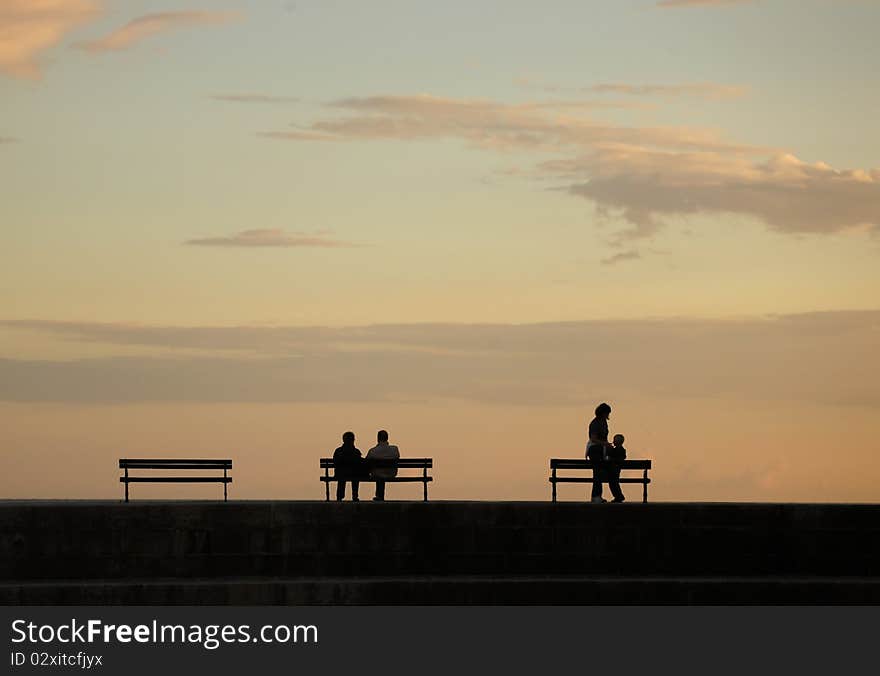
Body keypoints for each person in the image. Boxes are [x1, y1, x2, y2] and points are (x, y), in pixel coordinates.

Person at [586, 402, 613, 503]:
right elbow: (593, 439)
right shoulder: (595, 423)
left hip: (600, 450)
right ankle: (596, 495)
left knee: (598, 473)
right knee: (597, 472)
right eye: (607, 413)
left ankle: (597, 495)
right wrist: (605, 444)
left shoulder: (602, 422)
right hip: (595, 450)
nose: (608, 415)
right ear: (603, 413)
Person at [366, 429, 399, 501]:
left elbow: (366, 462)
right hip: (391, 473)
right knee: (381, 473)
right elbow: (397, 457)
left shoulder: (373, 451)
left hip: (376, 474)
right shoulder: (395, 449)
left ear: (378, 439)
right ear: (387, 438)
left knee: (379, 473)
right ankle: (379, 496)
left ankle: (379, 496)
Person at [332, 431, 363, 502]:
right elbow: (360, 463)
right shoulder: (356, 452)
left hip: (340, 474)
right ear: (353, 440)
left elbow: (335, 462)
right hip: (354, 474)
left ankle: (339, 496)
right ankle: (355, 495)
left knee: (342, 476)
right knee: (356, 476)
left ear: (343, 440)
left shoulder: (338, 451)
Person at [606, 433, 627, 503]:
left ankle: (619, 496)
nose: (613, 442)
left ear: (617, 442)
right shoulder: (622, 450)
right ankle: (619, 496)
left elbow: (609, 455)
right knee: (614, 483)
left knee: (613, 483)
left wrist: (608, 448)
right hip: (617, 470)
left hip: (613, 470)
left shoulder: (615, 450)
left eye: (614, 440)